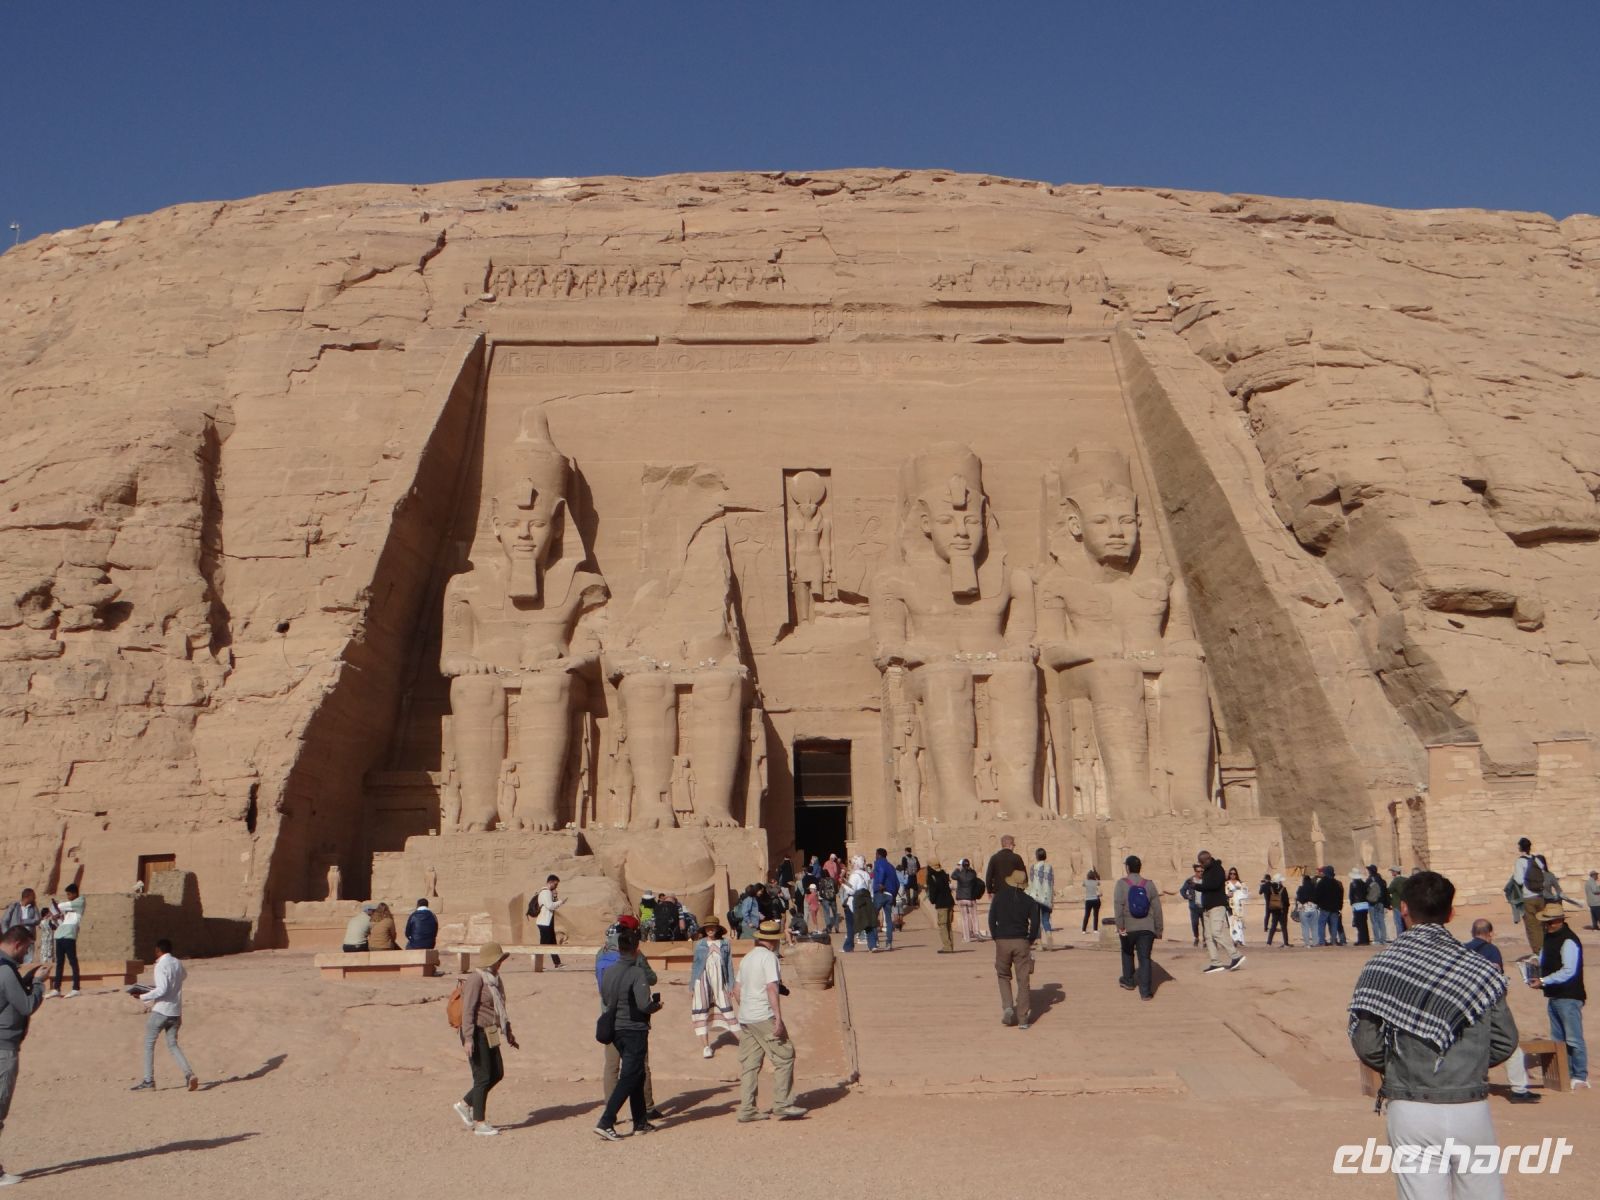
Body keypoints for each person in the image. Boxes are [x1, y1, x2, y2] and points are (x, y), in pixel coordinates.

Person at [1349, 871, 1519, 1196]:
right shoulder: (1478, 969)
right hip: (1471, 1107)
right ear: (1451, 913)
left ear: (1403, 909)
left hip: (1411, 1109)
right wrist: (1468, 1065)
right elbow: (1504, 1040)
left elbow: (1367, 1043)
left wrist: (1402, 1066)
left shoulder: (1381, 968)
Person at [732, 920, 805, 1122]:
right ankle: (783, 1104)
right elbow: (772, 988)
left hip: (747, 1017)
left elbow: (736, 990)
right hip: (763, 1015)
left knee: (750, 1064)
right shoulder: (769, 958)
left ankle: (747, 1109)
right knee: (784, 1056)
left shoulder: (747, 958)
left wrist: (746, 1009)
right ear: (773, 941)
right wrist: (778, 1018)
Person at [1463, 919, 1539, 1104]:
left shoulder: (1463, 950)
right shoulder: (1491, 950)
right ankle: (1519, 1090)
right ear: (1490, 933)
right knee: (1510, 1046)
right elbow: (1495, 974)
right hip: (1490, 1007)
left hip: (1466, 1007)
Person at [595, 927, 661, 1140]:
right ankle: (606, 1121)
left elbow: (605, 998)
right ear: (636, 949)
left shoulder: (609, 971)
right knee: (630, 1075)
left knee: (638, 1074)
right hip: (634, 1029)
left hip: (616, 1027)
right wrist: (656, 1006)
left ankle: (640, 1121)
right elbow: (643, 1005)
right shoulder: (636, 972)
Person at [0, 925, 44, 1185]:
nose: (26, 953)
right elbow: (26, 1005)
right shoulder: (5, 970)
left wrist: (26, 980)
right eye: (27, 948)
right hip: (3, 1048)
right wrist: (38, 983)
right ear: (17, 944)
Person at [1529, 904, 1587, 1089]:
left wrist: (1544, 981)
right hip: (1555, 996)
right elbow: (1545, 957)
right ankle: (1565, 1074)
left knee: (1573, 1039)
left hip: (1569, 996)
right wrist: (1534, 964)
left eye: (1549, 922)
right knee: (1558, 1039)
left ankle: (1580, 1075)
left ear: (1558, 921)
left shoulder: (1569, 940)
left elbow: (1569, 970)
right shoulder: (1550, 938)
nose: (1546, 925)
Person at [131, 939, 199, 1093]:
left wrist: (143, 996)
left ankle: (148, 1081)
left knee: (149, 1044)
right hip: (175, 1012)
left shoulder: (160, 965)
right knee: (173, 1044)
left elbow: (161, 989)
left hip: (161, 1010)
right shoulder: (177, 963)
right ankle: (189, 1074)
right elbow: (183, 976)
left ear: (158, 951)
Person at [989, 869, 1041, 1028]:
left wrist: (996, 937)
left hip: (1003, 940)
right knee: (1023, 979)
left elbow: (992, 920)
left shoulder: (999, 897)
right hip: (1021, 941)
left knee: (1003, 975)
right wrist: (1029, 940)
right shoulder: (1029, 901)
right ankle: (1023, 1018)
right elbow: (1035, 925)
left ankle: (1008, 1007)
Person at [1114, 855, 1164, 1000]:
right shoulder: (1149, 884)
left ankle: (1129, 980)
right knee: (1145, 958)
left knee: (1127, 952)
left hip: (1129, 926)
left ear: (1127, 868)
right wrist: (1159, 929)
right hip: (1147, 927)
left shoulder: (1121, 884)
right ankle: (1145, 992)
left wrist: (1120, 926)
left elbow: (1118, 906)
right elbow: (1157, 908)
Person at [691, 919, 738, 1059]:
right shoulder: (699, 944)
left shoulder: (725, 944)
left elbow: (729, 965)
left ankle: (743, 1042)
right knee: (701, 1011)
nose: (710, 930)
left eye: (712, 927)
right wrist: (692, 985)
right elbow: (695, 965)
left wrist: (731, 984)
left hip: (720, 981)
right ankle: (706, 1047)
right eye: (707, 927)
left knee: (727, 1008)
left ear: (717, 929)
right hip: (702, 980)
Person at [1513, 838, 1561, 958]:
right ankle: (1547, 947)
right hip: (1540, 896)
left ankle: (1538, 952)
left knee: (1532, 926)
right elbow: (1543, 874)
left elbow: (1518, 880)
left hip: (1528, 898)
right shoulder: (1536, 860)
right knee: (1543, 923)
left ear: (1520, 848)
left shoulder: (1520, 862)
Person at [1196, 851, 1243, 974]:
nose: (1200, 865)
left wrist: (1197, 886)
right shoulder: (1207, 871)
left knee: (1216, 932)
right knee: (1208, 936)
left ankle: (1235, 955)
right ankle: (1215, 962)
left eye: (1201, 862)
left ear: (1207, 859)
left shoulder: (1217, 869)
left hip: (1217, 905)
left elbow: (1213, 885)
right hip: (1207, 907)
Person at [48, 884, 83, 997]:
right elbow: (63, 919)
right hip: (60, 934)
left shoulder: (80, 901)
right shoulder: (69, 907)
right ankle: (57, 988)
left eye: (69, 894)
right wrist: (57, 918)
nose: (67, 896)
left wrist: (57, 906)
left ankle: (76, 988)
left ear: (75, 893)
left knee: (73, 961)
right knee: (60, 963)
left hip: (69, 935)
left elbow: (61, 906)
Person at [870, 848, 899, 951]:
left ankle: (875, 941)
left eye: (876, 854)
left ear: (878, 855)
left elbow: (881, 872)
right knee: (888, 919)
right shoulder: (891, 866)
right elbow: (897, 882)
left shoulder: (879, 863)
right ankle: (889, 943)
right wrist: (894, 895)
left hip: (881, 893)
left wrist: (880, 884)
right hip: (890, 895)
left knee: (873, 917)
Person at [1027, 849, 1056, 951]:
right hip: (1047, 897)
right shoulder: (1050, 868)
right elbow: (1052, 883)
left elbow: (1031, 882)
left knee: (1036, 921)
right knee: (1045, 920)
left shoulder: (1033, 867)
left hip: (1036, 897)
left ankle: (1039, 944)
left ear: (1037, 856)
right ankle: (1049, 935)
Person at [925, 860, 956, 953]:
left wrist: (932, 900)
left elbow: (933, 891)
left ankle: (947, 946)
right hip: (949, 901)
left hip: (941, 903)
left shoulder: (932, 876)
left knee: (942, 925)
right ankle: (950, 945)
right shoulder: (944, 874)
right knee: (948, 925)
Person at [0, 895, 40, 966]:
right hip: (15, 935)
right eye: (33, 897)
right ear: (27, 897)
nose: (34, 899)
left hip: (28, 935)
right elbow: (5, 920)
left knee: (28, 955)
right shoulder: (14, 906)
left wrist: (24, 921)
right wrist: (7, 934)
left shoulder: (33, 907)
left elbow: (37, 920)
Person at [535, 874, 565, 968]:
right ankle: (538, 964)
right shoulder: (546, 892)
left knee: (552, 942)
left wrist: (555, 896)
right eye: (555, 885)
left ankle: (557, 963)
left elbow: (550, 905)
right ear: (550, 882)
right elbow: (550, 906)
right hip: (544, 922)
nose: (556, 887)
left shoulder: (546, 892)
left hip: (547, 921)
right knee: (544, 944)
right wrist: (560, 902)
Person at [953, 858, 985, 943]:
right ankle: (977, 933)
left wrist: (957, 869)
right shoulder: (972, 874)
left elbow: (953, 876)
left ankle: (967, 938)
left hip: (962, 898)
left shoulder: (959, 874)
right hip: (971, 898)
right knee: (974, 916)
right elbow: (974, 875)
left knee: (965, 918)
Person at [1314, 865, 1344, 947]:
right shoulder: (1336, 883)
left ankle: (1322, 941)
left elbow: (1317, 895)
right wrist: (1339, 906)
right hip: (1335, 908)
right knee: (1334, 925)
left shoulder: (1322, 882)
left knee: (1321, 924)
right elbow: (1340, 896)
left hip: (1324, 907)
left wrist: (1318, 903)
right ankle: (1333, 941)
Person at [1262, 874, 1292, 948]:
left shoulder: (1271, 888)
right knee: (1284, 927)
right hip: (1282, 911)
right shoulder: (1283, 889)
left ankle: (1269, 943)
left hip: (1274, 910)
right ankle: (1285, 943)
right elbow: (1286, 902)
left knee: (1273, 926)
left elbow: (1267, 898)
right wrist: (1286, 910)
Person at [1366, 865, 1392, 945]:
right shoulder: (1382, 880)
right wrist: (1387, 904)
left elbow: (1366, 891)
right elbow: (1385, 892)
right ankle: (1383, 939)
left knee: (1374, 921)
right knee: (1381, 921)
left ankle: (1377, 939)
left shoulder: (1369, 880)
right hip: (1381, 903)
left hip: (1372, 903)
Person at [1180, 864, 1204, 947]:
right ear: (1195, 872)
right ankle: (1196, 937)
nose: (1200, 873)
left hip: (1204, 906)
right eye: (1198, 871)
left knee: (1205, 924)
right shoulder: (1190, 881)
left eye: (1201, 871)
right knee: (1195, 923)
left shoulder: (1205, 880)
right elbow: (1182, 890)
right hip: (1194, 906)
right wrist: (1187, 896)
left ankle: (1205, 940)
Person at [1225, 867, 1248, 947]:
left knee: (1239, 923)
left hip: (1239, 906)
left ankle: (1240, 939)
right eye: (1231, 873)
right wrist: (1227, 895)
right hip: (1230, 906)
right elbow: (1223, 894)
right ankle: (1235, 939)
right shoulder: (1226, 884)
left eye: (1234, 874)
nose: (1232, 875)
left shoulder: (1240, 883)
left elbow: (1245, 894)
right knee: (1231, 923)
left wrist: (1239, 895)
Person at [1349, 866, 1372, 947]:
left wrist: (1352, 903)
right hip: (1365, 905)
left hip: (1357, 905)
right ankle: (1366, 940)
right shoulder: (1363, 883)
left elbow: (1351, 895)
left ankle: (1361, 940)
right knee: (1364, 923)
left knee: (1359, 924)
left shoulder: (1353, 884)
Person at [1295, 873, 1319, 948]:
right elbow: (1317, 899)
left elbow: (1298, 898)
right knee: (1314, 927)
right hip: (1313, 908)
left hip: (1304, 909)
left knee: (1305, 927)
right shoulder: (1314, 888)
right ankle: (1315, 943)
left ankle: (1307, 944)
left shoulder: (1301, 888)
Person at [816, 869, 838, 935]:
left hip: (825, 899)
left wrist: (823, 896)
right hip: (833, 899)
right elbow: (836, 890)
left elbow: (820, 891)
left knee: (827, 914)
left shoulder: (822, 881)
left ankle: (829, 928)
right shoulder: (833, 880)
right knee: (835, 913)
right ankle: (837, 928)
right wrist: (833, 895)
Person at [1389, 867, 1408, 935]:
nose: (1391, 873)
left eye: (1392, 871)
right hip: (1406, 903)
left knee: (1398, 922)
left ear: (1395, 872)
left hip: (1397, 903)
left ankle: (1400, 938)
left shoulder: (1395, 880)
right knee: (1405, 922)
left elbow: (1389, 890)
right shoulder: (1406, 879)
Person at [1082, 868, 1102, 933]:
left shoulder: (1085, 882)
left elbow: (1083, 885)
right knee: (1096, 915)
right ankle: (1095, 929)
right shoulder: (1096, 882)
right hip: (1095, 899)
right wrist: (1096, 876)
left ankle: (1084, 930)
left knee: (1087, 915)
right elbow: (1099, 882)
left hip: (1088, 900)